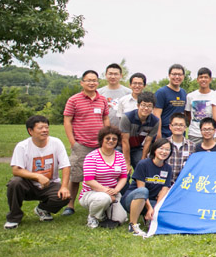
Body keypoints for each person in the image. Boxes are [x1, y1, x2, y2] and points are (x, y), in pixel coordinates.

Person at [5, 115, 71, 229]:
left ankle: (43, 209)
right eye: (40, 128)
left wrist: (64, 187)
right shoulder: (22, 146)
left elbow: (65, 166)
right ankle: (14, 218)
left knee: (64, 196)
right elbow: (16, 170)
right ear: (30, 131)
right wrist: (37, 176)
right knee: (15, 183)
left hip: (50, 184)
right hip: (28, 184)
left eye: (46, 127)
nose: (45, 130)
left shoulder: (56, 143)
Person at [63, 69, 110, 216]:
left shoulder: (102, 100)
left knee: (100, 175)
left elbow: (105, 118)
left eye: (94, 80)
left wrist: (107, 137)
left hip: (99, 145)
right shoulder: (74, 100)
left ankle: (99, 202)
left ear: (98, 82)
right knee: (76, 176)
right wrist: (73, 142)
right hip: (81, 144)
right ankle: (70, 205)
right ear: (82, 83)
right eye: (88, 80)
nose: (92, 83)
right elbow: (67, 120)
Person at [121, 138, 173, 237]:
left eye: (167, 149)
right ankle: (133, 225)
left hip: (151, 200)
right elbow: (141, 189)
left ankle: (148, 220)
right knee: (143, 191)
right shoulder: (143, 164)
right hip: (133, 199)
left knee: (164, 211)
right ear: (154, 149)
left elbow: (164, 189)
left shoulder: (168, 168)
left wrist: (156, 209)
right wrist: (149, 208)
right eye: (161, 148)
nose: (164, 152)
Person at [78, 126, 128, 228]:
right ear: (102, 140)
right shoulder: (92, 156)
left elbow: (123, 177)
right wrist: (106, 191)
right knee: (103, 199)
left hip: (113, 192)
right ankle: (93, 217)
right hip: (92, 192)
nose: (111, 141)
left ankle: (104, 213)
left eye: (114, 139)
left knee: (121, 219)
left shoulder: (120, 156)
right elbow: (89, 180)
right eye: (108, 138)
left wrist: (116, 190)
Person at [120, 91, 160, 171]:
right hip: (121, 146)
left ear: (153, 108)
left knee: (142, 167)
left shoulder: (155, 121)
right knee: (123, 169)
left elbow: (148, 142)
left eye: (149, 106)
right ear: (138, 105)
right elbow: (124, 141)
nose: (146, 108)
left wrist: (143, 159)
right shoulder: (127, 117)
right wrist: (127, 163)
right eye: (143, 105)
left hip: (137, 147)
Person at [153, 64, 187, 140]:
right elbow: (156, 115)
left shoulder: (183, 92)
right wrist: (158, 135)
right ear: (169, 75)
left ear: (183, 76)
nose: (177, 77)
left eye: (180, 74)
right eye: (174, 74)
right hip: (165, 133)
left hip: (179, 134)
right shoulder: (161, 92)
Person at [185, 67, 214, 144]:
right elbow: (188, 114)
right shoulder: (190, 96)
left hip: (211, 134)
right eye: (201, 77)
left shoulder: (215, 95)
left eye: (206, 77)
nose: (203, 79)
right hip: (194, 134)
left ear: (210, 79)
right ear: (197, 79)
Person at [98, 63, 132, 128]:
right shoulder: (98, 93)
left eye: (116, 74)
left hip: (123, 129)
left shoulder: (128, 93)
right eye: (110, 74)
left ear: (121, 76)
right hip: (103, 130)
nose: (113, 77)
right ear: (106, 75)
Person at [166, 113, 194, 182]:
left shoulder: (192, 146)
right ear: (170, 127)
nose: (178, 127)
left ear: (185, 128)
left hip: (185, 183)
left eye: (181, 125)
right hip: (166, 183)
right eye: (175, 124)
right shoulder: (163, 144)